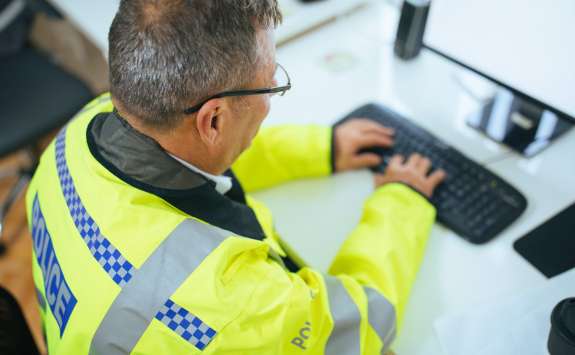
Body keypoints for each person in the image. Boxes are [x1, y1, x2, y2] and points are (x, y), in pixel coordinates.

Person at [25, 0, 446, 354]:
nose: (270, 101)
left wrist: (321, 149)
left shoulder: (81, 131)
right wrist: (401, 201)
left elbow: (202, 154)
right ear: (213, 120)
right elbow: (361, 322)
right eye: (269, 86)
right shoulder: (234, 305)